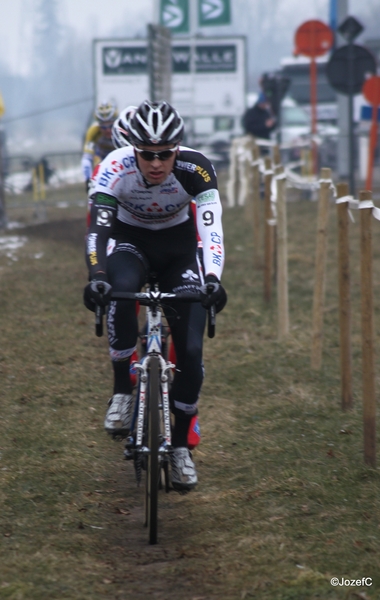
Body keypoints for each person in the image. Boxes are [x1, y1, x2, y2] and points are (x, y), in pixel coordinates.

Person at [83, 100, 227, 492]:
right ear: (133, 149)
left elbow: (211, 230)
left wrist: (212, 278)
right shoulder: (114, 167)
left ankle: (180, 447)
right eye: (147, 155)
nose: (157, 163)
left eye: (165, 154)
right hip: (131, 242)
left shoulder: (196, 167)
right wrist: (96, 275)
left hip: (180, 250)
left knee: (192, 350)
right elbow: (97, 230)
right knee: (117, 290)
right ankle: (121, 390)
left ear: (178, 148)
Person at [81, 100, 118, 189]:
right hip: (102, 159)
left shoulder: (122, 128)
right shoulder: (93, 131)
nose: (107, 130)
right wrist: (88, 180)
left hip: (118, 160)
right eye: (103, 127)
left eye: (110, 126)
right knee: (97, 163)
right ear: (99, 125)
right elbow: (86, 160)